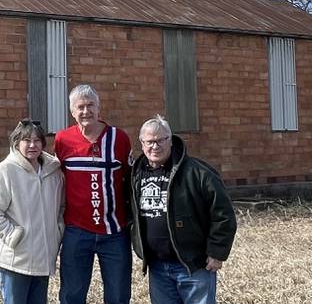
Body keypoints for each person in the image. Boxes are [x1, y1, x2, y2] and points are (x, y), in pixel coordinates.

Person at [130, 115, 237, 304]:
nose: (155, 146)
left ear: (171, 140)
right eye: (150, 142)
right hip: (157, 267)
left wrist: (217, 252)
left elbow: (223, 214)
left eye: (161, 140)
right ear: (141, 143)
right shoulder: (136, 174)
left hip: (194, 266)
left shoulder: (197, 172)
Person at [55, 84, 133, 304]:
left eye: (91, 105)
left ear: (99, 109)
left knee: (118, 296)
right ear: (72, 112)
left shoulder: (119, 138)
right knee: (72, 294)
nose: (86, 111)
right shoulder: (62, 140)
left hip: (114, 232)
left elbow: (131, 179)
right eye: (80, 107)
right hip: (76, 231)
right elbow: (55, 178)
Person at [0, 119, 65, 304]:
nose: (32, 145)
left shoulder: (54, 171)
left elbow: (61, 207)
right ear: (16, 143)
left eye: (37, 140)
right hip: (15, 260)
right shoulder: (6, 170)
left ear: (43, 143)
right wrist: (13, 235)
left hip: (43, 260)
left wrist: (58, 230)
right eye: (26, 140)